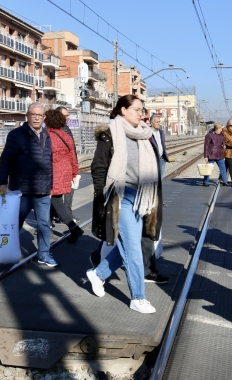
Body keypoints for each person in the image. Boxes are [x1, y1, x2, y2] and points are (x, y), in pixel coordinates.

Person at [86, 95, 163, 314]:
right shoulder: (109, 134)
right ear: (123, 110)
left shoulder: (144, 135)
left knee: (130, 248)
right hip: (120, 198)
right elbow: (98, 168)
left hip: (142, 198)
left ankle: (98, 274)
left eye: (142, 110)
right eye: (137, 110)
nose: (142, 114)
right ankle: (138, 297)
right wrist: (103, 197)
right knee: (134, 251)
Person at [0, 103, 55, 266]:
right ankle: (6, 251)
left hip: (42, 189)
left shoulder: (47, 135)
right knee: (16, 222)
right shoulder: (17, 135)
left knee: (44, 224)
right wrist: (1, 182)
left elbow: (49, 161)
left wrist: (51, 185)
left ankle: (43, 254)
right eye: (33, 114)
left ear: (44, 118)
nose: (36, 117)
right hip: (23, 189)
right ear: (27, 115)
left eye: (39, 115)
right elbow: (6, 158)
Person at [46, 108, 84, 242]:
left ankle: (70, 227)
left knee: (50, 200)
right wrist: (75, 172)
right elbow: (73, 156)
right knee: (55, 200)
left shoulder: (46, 136)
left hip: (52, 173)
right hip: (65, 172)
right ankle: (73, 228)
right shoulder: (66, 135)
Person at [56, 106, 78, 215]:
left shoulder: (66, 128)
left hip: (65, 166)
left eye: (68, 115)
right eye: (65, 116)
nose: (68, 117)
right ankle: (67, 215)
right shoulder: (61, 130)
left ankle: (61, 214)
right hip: (63, 167)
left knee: (60, 193)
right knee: (67, 191)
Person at [149, 114, 169, 179]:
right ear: (151, 123)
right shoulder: (148, 132)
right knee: (153, 178)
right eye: (157, 122)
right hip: (153, 160)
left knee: (160, 179)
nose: (159, 124)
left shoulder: (161, 132)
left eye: (159, 122)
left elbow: (162, 144)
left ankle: (159, 189)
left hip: (161, 159)